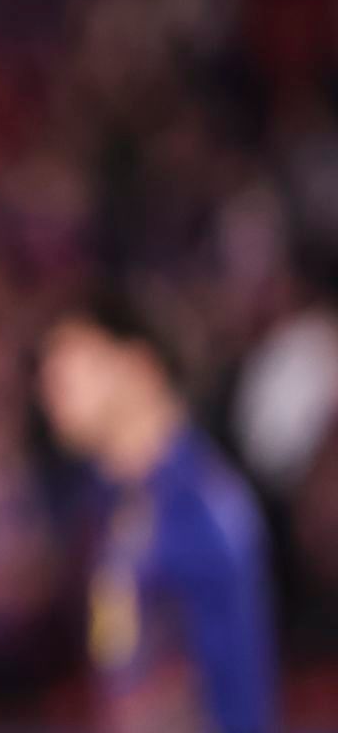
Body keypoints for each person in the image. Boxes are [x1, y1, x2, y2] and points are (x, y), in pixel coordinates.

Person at [38, 297, 278, 733]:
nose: (51, 383)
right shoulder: (101, 506)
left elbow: (232, 695)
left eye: (73, 360)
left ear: (138, 367)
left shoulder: (204, 510)